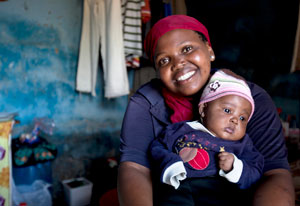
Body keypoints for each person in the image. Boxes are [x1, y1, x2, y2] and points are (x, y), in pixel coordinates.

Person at [117, 15, 294, 206]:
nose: (178, 63)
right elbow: (134, 168)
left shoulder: (249, 100)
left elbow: (274, 172)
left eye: (187, 49)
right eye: (164, 60)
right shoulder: (146, 103)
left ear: (209, 50)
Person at [149, 69, 264, 205]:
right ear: (203, 109)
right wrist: (171, 164)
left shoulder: (243, 143)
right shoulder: (182, 130)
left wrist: (234, 167)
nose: (235, 120)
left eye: (242, 118)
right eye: (227, 110)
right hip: (180, 186)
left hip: (220, 190)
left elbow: (256, 169)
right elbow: (157, 148)